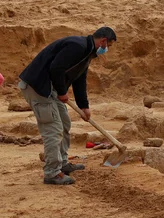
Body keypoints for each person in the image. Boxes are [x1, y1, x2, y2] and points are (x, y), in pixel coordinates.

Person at [16, 27, 117, 185]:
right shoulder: (78, 46)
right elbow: (56, 68)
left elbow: (79, 80)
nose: (107, 49)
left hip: (51, 89)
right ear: (103, 41)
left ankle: (62, 164)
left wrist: (84, 106)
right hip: (38, 88)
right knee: (53, 129)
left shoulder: (86, 52)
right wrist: (62, 92)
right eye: (108, 46)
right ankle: (52, 173)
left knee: (64, 124)